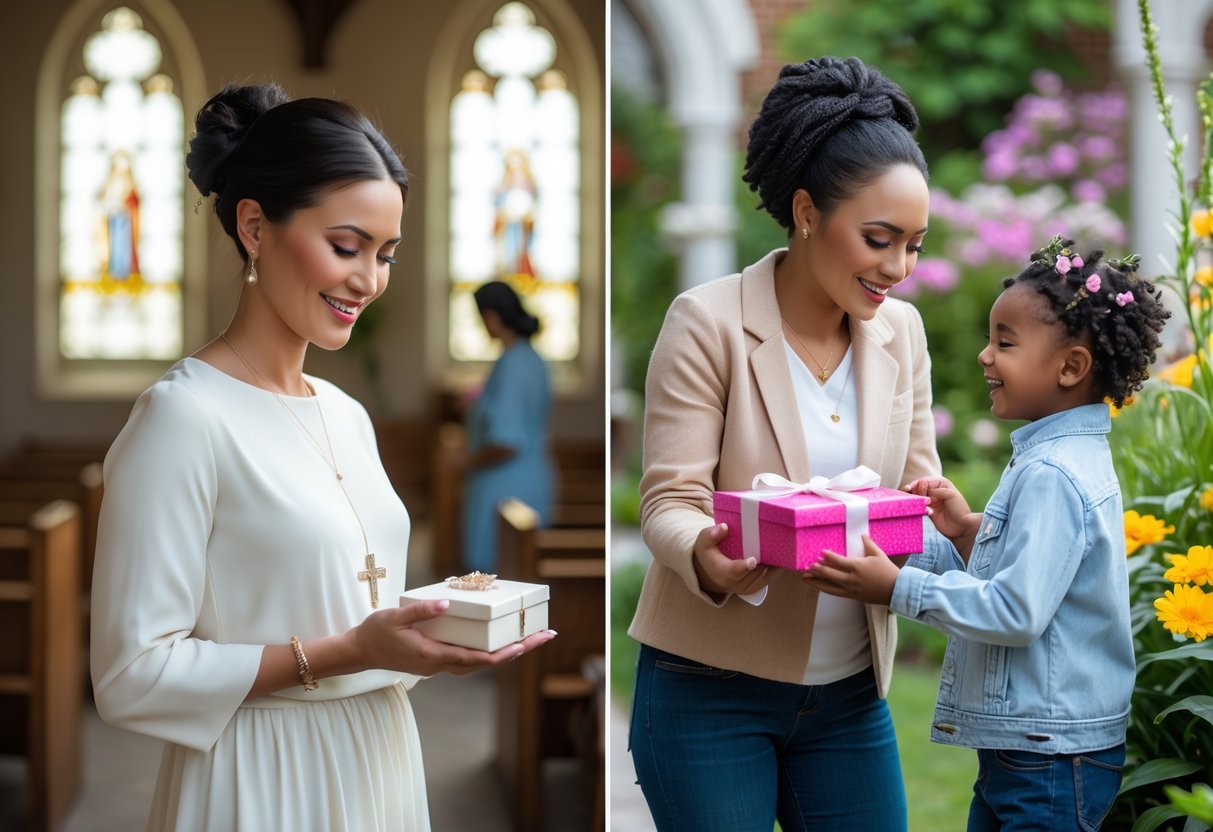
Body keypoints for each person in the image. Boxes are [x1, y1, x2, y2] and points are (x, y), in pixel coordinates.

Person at [89, 82, 555, 832]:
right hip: (259, 775)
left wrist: (432, 634)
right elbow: (129, 676)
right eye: (345, 246)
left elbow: (357, 612)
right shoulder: (181, 417)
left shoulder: (346, 414)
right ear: (254, 226)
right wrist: (342, 652)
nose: (368, 280)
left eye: (386, 254)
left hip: (378, 758)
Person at [628, 56, 941, 831]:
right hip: (708, 690)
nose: (898, 270)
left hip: (847, 698)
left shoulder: (900, 332)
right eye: (879, 239)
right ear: (806, 211)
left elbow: (917, 490)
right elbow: (669, 500)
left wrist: (930, 531)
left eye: (914, 245)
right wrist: (709, 553)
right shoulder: (707, 322)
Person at [804, 238, 1169, 831]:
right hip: (1036, 750)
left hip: (1047, 761)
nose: (984, 357)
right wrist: (974, 535)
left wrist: (899, 588)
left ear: (1071, 367)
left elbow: (1018, 612)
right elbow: (1049, 579)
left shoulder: (1052, 472)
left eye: (1005, 343)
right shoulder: (1059, 455)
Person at [459, 280, 554, 572]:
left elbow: (506, 441)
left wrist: (464, 460)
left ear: (491, 316)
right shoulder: (533, 359)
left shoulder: (512, 364)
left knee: (499, 579)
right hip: (533, 476)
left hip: (505, 491)